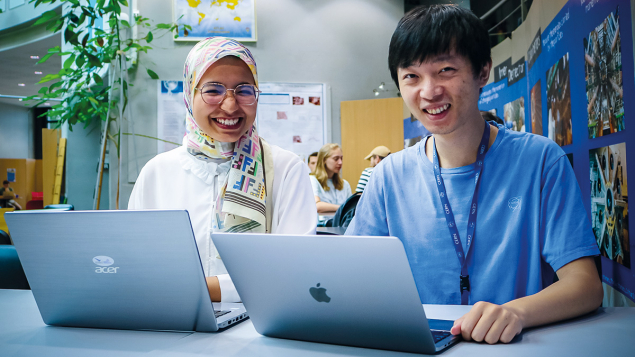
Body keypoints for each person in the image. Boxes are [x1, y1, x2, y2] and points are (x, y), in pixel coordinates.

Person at [346, 5, 602, 345]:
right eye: (411, 76)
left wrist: (517, 312)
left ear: (483, 72)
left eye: (446, 70)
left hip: (513, 346)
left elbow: (585, 285)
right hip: (419, 346)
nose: (428, 91)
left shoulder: (539, 161)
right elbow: (349, 278)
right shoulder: (388, 176)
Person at [128, 37, 317, 303]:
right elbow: (136, 264)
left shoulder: (285, 169)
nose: (230, 106)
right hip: (170, 325)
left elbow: (294, 268)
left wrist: (193, 289)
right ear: (189, 94)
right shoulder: (157, 173)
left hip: (261, 329)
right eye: (213, 90)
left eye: (244, 90)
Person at [310, 143, 351, 214]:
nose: (340, 162)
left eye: (341, 158)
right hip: (322, 224)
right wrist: (343, 208)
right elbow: (317, 206)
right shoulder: (312, 180)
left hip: (341, 224)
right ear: (324, 160)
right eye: (336, 159)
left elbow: (351, 208)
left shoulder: (345, 184)